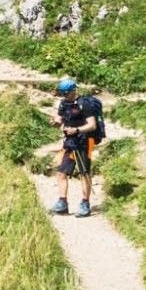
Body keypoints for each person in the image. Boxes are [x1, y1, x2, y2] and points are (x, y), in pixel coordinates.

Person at [49, 78, 105, 217]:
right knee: (61, 173)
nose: (64, 95)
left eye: (66, 93)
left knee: (84, 173)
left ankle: (85, 204)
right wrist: (55, 122)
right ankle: (62, 203)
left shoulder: (84, 104)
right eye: (63, 93)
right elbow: (59, 119)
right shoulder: (64, 104)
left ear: (73, 91)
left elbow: (92, 125)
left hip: (86, 143)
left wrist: (77, 130)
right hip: (70, 143)